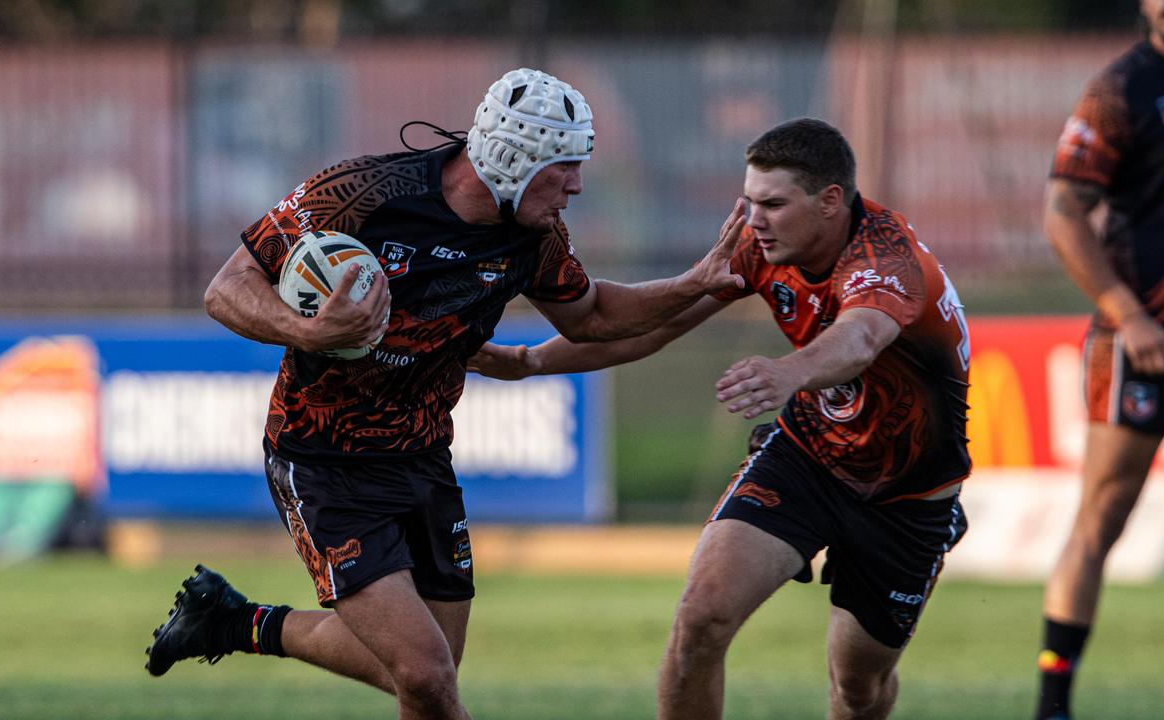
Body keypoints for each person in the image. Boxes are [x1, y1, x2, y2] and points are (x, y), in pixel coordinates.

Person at [141, 67, 744, 720]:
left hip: (425, 458)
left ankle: (232, 622)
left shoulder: (532, 237)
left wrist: (694, 283)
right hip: (323, 459)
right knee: (426, 676)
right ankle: (232, 623)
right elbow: (226, 288)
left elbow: (593, 317)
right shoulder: (364, 194)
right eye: (565, 167)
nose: (575, 185)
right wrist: (308, 328)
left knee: (423, 675)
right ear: (517, 159)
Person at [470, 118, 972, 720]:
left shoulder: (888, 259)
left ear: (830, 201)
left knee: (858, 685)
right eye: (749, 201)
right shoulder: (756, 246)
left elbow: (860, 338)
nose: (753, 219)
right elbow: (657, 325)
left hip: (909, 492)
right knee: (702, 617)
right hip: (808, 456)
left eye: (773, 204)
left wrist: (792, 371)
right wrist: (530, 361)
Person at [1035, 3, 1164, 718]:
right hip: (1143, 344)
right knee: (1101, 520)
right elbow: (1063, 211)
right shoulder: (1120, 88)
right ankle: (1053, 704)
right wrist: (1129, 313)